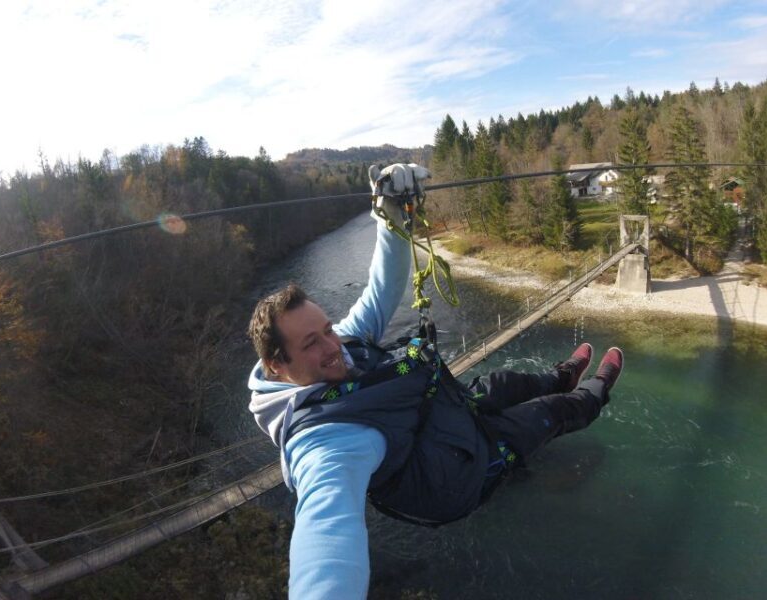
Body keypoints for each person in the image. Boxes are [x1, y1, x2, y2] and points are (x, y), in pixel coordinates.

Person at [247, 163, 624, 600]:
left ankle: (562, 375)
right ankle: (597, 389)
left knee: (505, 382)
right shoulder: (325, 443)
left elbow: (380, 292)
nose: (333, 346)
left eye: (327, 329)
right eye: (312, 343)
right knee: (550, 413)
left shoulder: (340, 347)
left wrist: (389, 215)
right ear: (278, 365)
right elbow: (327, 535)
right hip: (458, 473)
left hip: (447, 417)